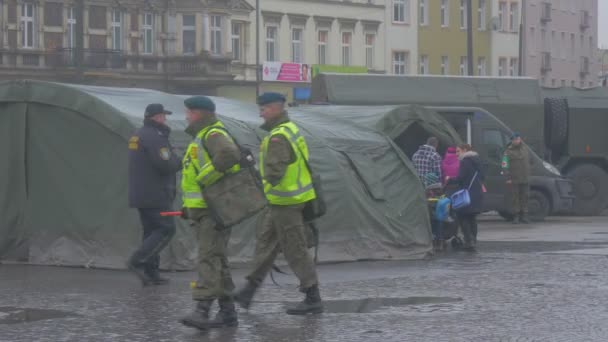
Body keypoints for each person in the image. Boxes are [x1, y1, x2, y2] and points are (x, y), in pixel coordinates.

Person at [233, 92, 323, 315]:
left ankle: (313, 296)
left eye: (263, 109)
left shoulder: (278, 137)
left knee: (295, 248)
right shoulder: (289, 130)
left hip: (287, 202)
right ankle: (248, 290)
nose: (261, 113)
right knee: (266, 244)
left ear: (275, 109)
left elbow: (274, 173)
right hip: (283, 201)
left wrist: (252, 171)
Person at [178, 96, 242, 330]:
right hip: (204, 209)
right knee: (218, 259)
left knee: (208, 257)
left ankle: (202, 310)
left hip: (214, 210)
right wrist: (189, 206)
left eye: (189, 112)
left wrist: (205, 178)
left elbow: (229, 155)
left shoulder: (213, 134)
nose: (186, 116)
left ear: (198, 113)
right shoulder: (201, 136)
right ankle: (227, 312)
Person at [127, 103, 182, 286]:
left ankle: (151, 273)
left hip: (142, 193)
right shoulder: (155, 137)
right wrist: (180, 161)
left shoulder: (139, 134)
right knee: (166, 229)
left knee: (151, 231)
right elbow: (165, 164)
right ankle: (138, 261)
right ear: (156, 117)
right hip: (156, 193)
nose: (165, 119)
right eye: (163, 116)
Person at [448, 144, 484, 252]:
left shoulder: (465, 162)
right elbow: (483, 176)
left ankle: (469, 242)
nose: (457, 154)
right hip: (477, 192)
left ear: (465, 150)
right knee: (472, 218)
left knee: (463, 216)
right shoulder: (477, 161)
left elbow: (460, 178)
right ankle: (473, 240)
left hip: (467, 194)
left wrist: (450, 179)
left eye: (458, 151)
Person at [502, 133, 530, 224]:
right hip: (514, 178)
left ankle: (525, 216)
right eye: (514, 139)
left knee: (525, 197)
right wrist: (508, 177)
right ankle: (516, 216)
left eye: (518, 139)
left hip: (525, 178)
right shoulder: (508, 151)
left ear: (520, 139)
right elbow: (504, 165)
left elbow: (530, 161)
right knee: (515, 198)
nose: (517, 141)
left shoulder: (525, 149)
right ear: (512, 141)